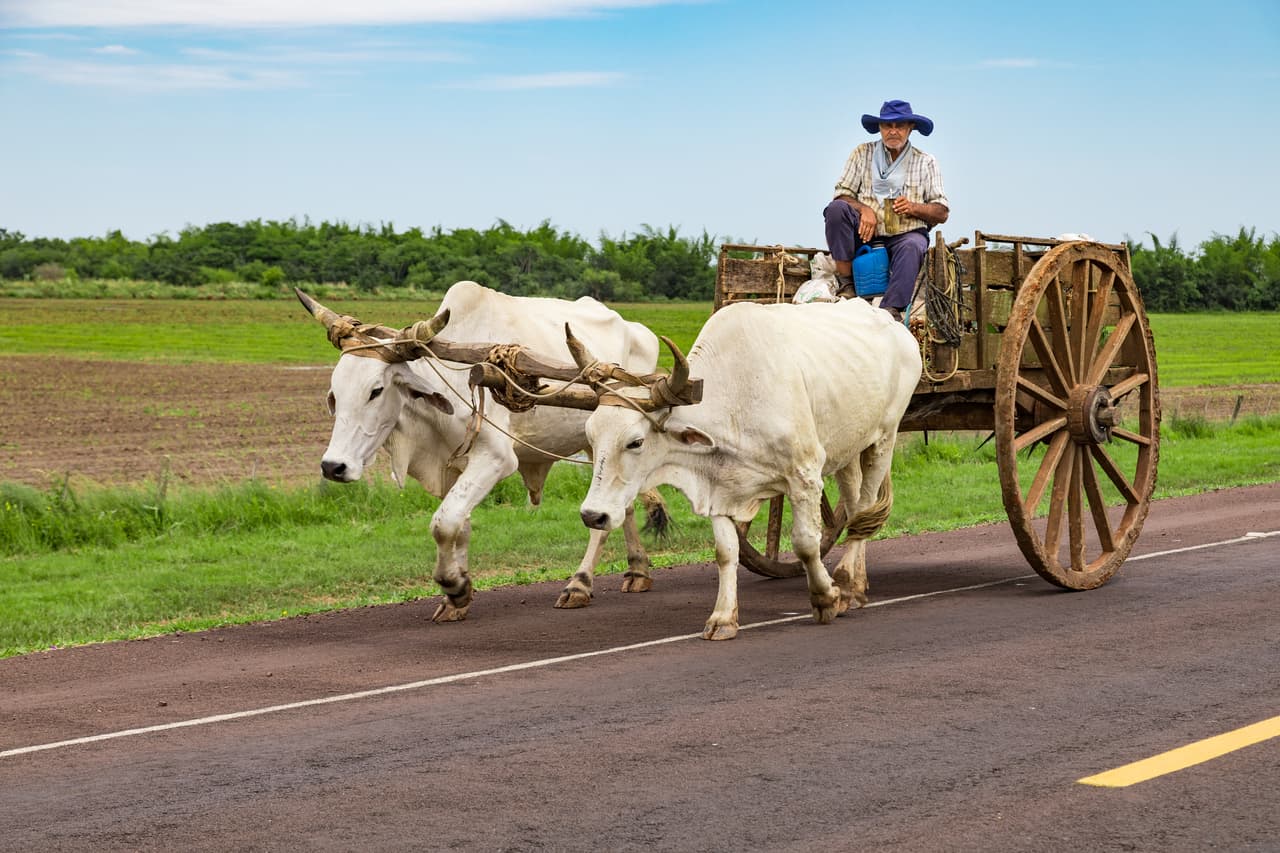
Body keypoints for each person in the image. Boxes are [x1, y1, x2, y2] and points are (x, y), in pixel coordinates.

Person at [823, 99, 949, 322]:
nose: (893, 131)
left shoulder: (925, 161)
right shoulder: (862, 153)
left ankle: (890, 310)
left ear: (910, 128)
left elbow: (941, 212)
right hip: (865, 234)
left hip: (905, 234)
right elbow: (841, 194)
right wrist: (865, 210)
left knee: (913, 245)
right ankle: (847, 285)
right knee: (836, 210)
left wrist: (913, 207)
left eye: (899, 125)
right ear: (880, 128)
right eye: (887, 125)